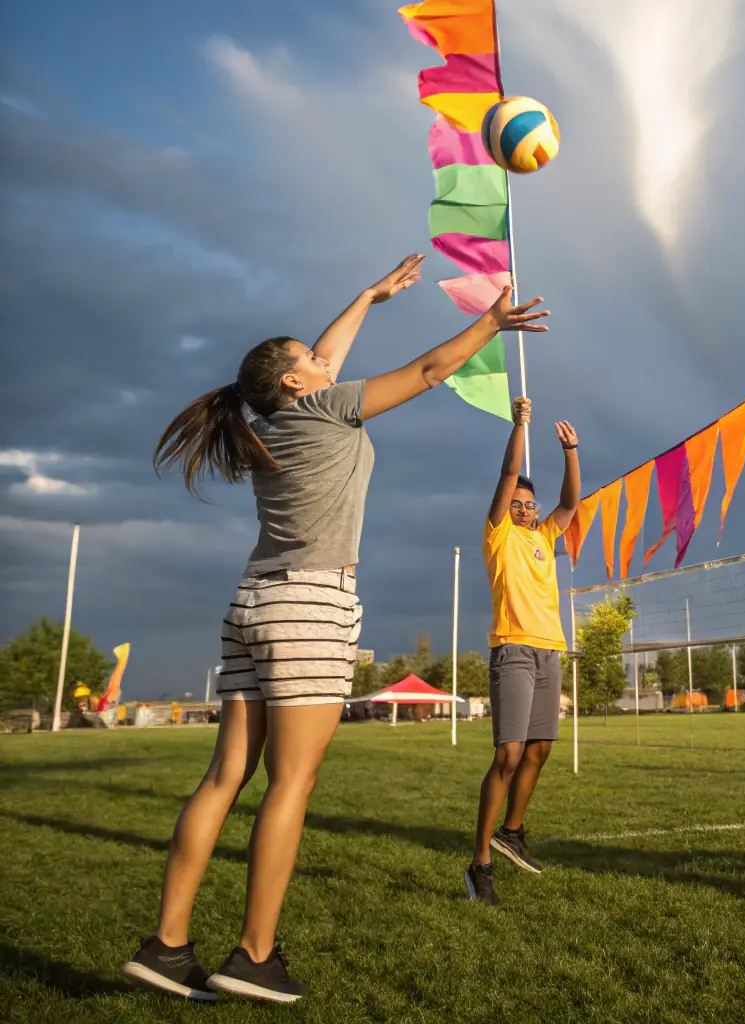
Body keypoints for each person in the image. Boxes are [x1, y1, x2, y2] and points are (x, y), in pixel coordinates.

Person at [121, 255, 548, 1003]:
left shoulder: (272, 422)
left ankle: (167, 945)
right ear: (296, 380)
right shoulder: (325, 408)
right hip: (309, 607)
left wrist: (369, 297)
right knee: (292, 781)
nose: (326, 360)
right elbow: (425, 371)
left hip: (251, 601)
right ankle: (253, 956)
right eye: (312, 360)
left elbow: (325, 355)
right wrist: (491, 324)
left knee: (224, 778)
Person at [467, 396, 579, 905]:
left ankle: (512, 832)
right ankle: (480, 863)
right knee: (508, 753)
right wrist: (520, 426)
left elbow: (572, 504)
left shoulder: (543, 536)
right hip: (512, 649)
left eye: (531, 503)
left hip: (550, 650)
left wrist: (571, 453)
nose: (527, 507)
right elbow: (509, 471)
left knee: (540, 750)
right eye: (519, 502)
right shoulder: (499, 536)